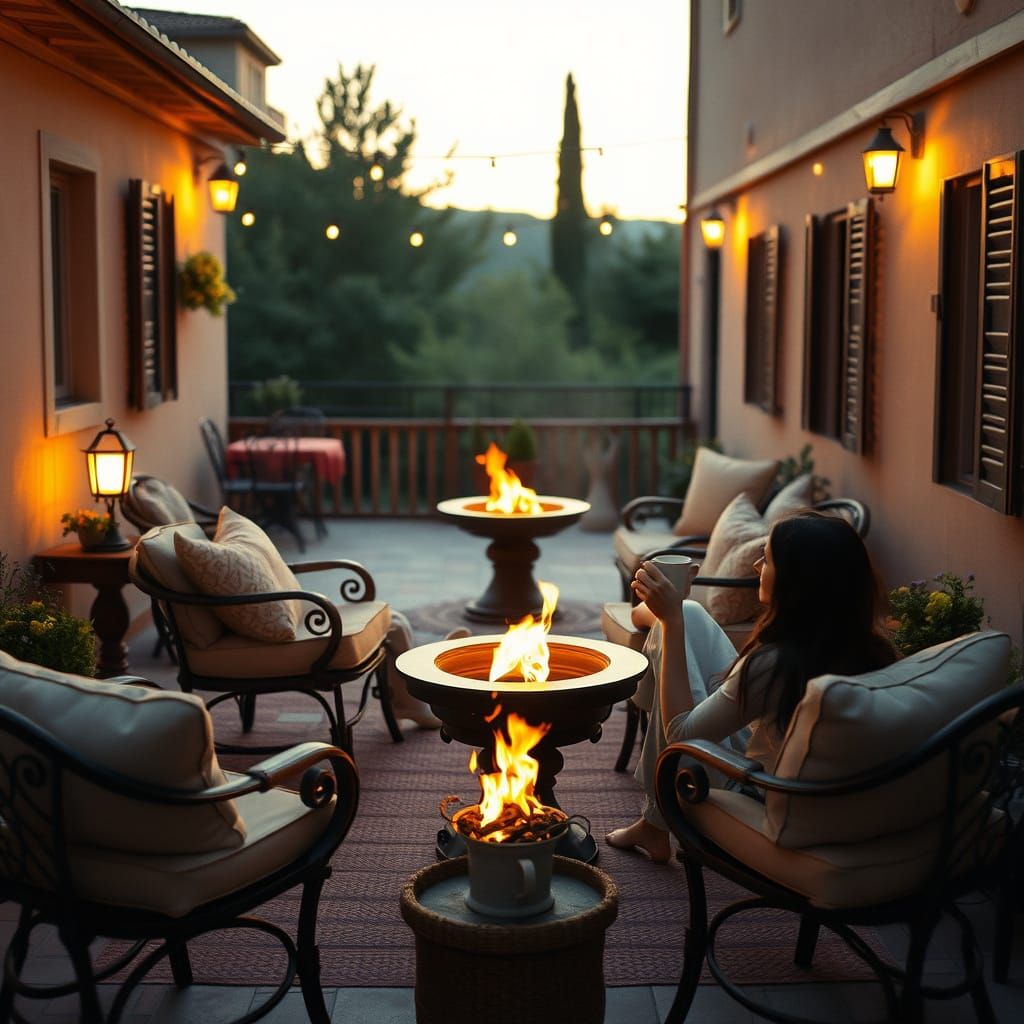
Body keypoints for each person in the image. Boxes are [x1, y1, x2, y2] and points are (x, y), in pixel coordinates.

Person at [606, 510, 897, 863]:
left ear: (796, 581)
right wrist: (670, 615)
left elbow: (681, 735)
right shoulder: (871, 649)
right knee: (691, 614)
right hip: (796, 776)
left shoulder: (775, 665)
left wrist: (669, 621)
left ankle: (656, 820)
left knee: (675, 640)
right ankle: (652, 824)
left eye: (769, 558)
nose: (758, 565)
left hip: (758, 790)